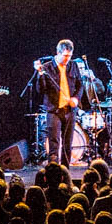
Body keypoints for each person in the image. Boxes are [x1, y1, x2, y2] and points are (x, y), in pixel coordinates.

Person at [34, 38, 84, 167]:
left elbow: (80, 85)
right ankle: (53, 172)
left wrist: (76, 98)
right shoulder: (47, 67)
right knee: (54, 144)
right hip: (54, 111)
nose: (67, 59)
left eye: (69, 56)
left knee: (68, 144)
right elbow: (41, 90)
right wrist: (40, 74)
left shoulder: (73, 65)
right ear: (58, 52)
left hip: (70, 111)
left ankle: (66, 171)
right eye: (65, 56)